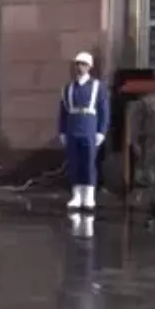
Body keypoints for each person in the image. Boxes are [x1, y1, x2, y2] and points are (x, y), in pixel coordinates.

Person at [58, 51, 109, 211]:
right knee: (74, 162)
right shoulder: (68, 88)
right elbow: (63, 112)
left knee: (88, 162)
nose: (80, 67)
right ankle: (76, 195)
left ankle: (89, 195)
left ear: (90, 67)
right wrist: (62, 131)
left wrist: (101, 131)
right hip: (73, 126)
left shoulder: (97, 86)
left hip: (89, 126)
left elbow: (103, 110)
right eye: (78, 64)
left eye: (84, 64)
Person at [131, 64, 155, 225]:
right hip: (153, 145)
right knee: (154, 181)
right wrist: (135, 142)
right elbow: (137, 124)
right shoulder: (147, 101)